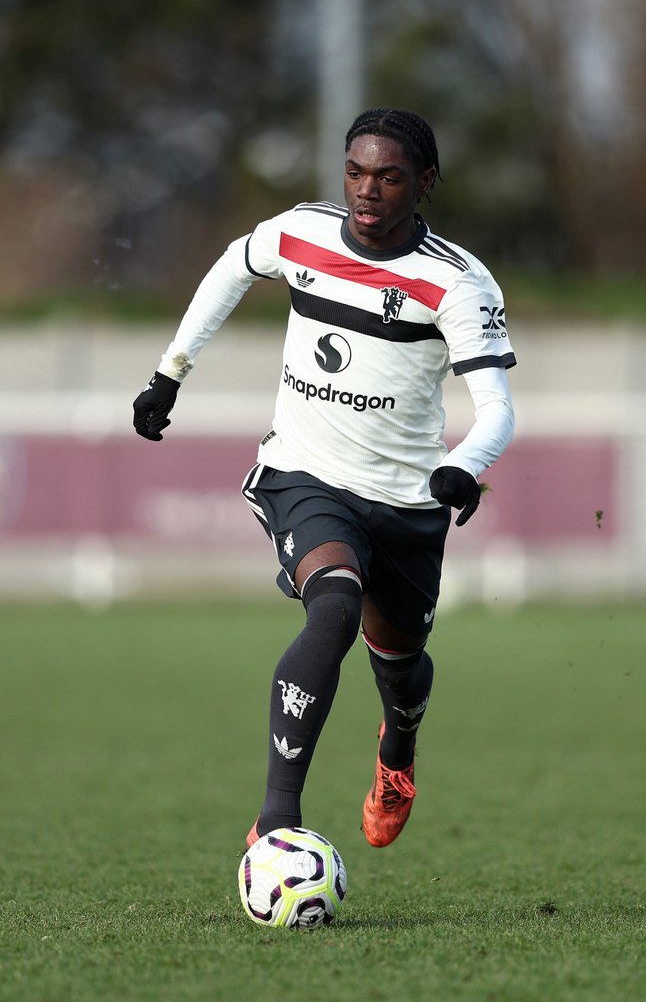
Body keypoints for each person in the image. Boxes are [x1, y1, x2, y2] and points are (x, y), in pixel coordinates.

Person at [133, 107, 516, 849]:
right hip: (305, 473)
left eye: (389, 176)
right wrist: (168, 373)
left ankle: (397, 753)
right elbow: (231, 267)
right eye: (355, 172)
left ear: (425, 183)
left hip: (407, 499)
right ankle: (277, 820)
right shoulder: (300, 232)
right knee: (333, 606)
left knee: (399, 665)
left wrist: (464, 468)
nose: (367, 191)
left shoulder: (458, 283)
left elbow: (497, 409)